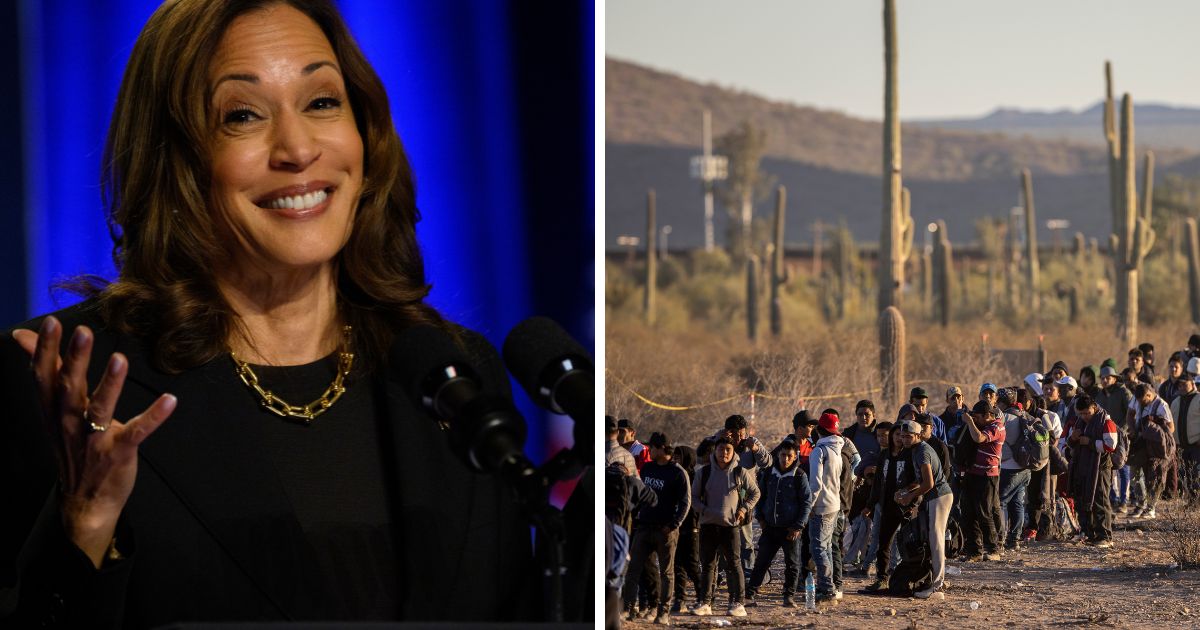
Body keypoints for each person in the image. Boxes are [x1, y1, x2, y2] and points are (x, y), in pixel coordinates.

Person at [1, 2, 540, 626]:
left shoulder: (455, 375)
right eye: (243, 116)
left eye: (321, 102)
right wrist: (83, 526)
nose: (298, 149)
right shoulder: (70, 382)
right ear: (176, 158)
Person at [622, 433, 691, 625]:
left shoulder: (678, 473)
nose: (649, 451)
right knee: (633, 570)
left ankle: (663, 612)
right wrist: (634, 517)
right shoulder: (647, 468)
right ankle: (627, 609)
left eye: (651, 448)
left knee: (666, 573)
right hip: (643, 527)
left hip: (665, 531)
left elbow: (685, 503)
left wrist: (673, 525)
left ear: (661, 448)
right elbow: (638, 495)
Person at [691, 436, 759, 618]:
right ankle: (705, 603)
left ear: (733, 452)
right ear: (715, 451)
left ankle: (737, 602)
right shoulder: (703, 472)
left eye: (728, 449)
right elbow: (694, 498)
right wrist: (704, 510)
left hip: (731, 527)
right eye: (721, 449)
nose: (724, 453)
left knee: (734, 565)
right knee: (707, 565)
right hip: (708, 526)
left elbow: (755, 493)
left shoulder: (740, 472)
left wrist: (744, 509)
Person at [745, 441, 813, 609]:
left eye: (790, 456)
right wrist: (760, 519)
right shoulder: (768, 473)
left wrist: (798, 526)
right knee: (761, 562)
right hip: (769, 528)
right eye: (783, 455)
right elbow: (760, 497)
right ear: (778, 455)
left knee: (792, 564)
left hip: (791, 530)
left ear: (795, 456)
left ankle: (788, 596)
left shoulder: (799, 476)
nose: (786, 459)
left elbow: (806, 503)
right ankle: (749, 595)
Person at [894, 419, 952, 600]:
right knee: (933, 540)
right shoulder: (916, 450)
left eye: (908, 436)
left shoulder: (922, 451)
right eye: (902, 436)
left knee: (936, 541)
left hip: (939, 496)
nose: (904, 439)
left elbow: (929, 483)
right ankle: (936, 581)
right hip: (934, 497)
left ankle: (937, 586)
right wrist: (905, 491)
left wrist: (911, 497)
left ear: (917, 436)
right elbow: (921, 480)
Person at [721, 414, 771, 581]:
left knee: (746, 540)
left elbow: (768, 463)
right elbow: (702, 457)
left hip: (745, 499)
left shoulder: (752, 443)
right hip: (723, 498)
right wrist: (718, 440)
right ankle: (721, 571)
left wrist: (756, 450)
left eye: (742, 433)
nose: (740, 438)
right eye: (736, 434)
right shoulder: (721, 443)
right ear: (728, 432)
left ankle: (749, 572)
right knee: (723, 538)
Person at [1066, 395, 1118, 547]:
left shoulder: (1106, 422)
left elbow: (1110, 446)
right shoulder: (1079, 423)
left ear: (1094, 408)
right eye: (1081, 413)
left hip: (1101, 468)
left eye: (1086, 413)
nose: (1084, 416)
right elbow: (1070, 445)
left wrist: (1090, 443)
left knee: (1100, 500)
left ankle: (1105, 536)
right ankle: (1091, 534)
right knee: (1085, 500)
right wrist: (1073, 439)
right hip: (1083, 467)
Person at [959, 400, 1004, 561]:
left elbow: (979, 439)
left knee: (984, 512)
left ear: (988, 415)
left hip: (987, 475)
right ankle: (974, 551)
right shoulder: (981, 424)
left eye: (978, 417)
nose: (975, 420)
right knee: (968, 513)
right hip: (972, 472)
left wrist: (970, 421)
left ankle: (993, 549)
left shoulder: (996, 427)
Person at [807, 413, 844, 604]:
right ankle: (829, 585)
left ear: (819, 430)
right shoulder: (837, 449)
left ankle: (828, 589)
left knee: (818, 548)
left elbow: (816, 483)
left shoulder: (819, 451)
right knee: (827, 547)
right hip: (834, 504)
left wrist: (809, 506)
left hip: (821, 505)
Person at [1126, 383, 1174, 518]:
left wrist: (1154, 432)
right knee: (1134, 472)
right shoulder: (1136, 399)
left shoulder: (1161, 406)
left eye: (1144, 401)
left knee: (1154, 476)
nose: (1141, 404)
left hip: (1155, 447)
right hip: (1139, 442)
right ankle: (1140, 504)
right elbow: (1130, 414)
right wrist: (1133, 429)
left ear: (1149, 395)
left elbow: (1171, 428)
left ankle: (1151, 507)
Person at [996, 389, 1032, 551]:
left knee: (1001, 502)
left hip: (1008, 468)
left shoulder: (1003, 418)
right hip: (1025, 468)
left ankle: (1001, 538)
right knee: (1017, 503)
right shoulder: (1026, 416)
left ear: (1003, 403)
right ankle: (1015, 539)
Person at [1096, 366, 1134, 513]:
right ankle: (1113, 498)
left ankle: (1124, 500)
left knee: (1123, 467)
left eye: (1108, 378)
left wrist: (1124, 430)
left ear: (1114, 378)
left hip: (1122, 435)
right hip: (1106, 436)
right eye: (1103, 378)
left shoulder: (1123, 392)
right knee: (1108, 467)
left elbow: (1131, 412)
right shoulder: (1100, 394)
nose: (1105, 380)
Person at [669, 445, 702, 615]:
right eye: (673, 457)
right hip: (676, 526)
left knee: (692, 565)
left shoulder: (695, 477)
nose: (675, 460)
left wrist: (696, 525)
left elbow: (695, 504)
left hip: (692, 527)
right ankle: (680, 599)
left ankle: (702, 597)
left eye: (678, 457)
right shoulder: (673, 475)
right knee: (677, 565)